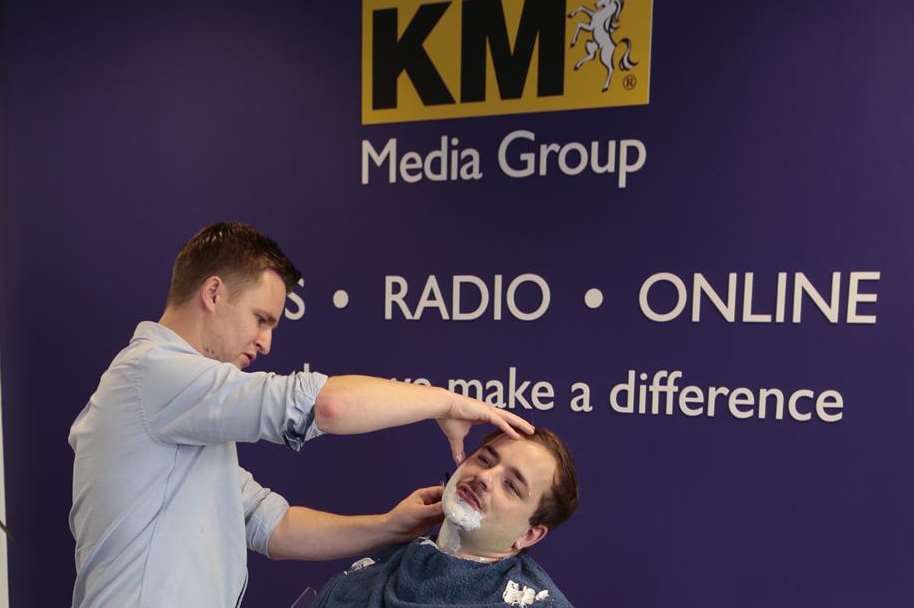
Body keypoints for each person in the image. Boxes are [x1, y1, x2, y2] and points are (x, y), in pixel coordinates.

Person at [68, 223, 534, 608]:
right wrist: (447, 403)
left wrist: (392, 525)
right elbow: (326, 405)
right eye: (261, 319)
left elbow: (274, 526)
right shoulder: (153, 375)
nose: (265, 343)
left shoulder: (184, 408)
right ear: (213, 292)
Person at [310, 427, 578, 607]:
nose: (484, 477)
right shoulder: (354, 585)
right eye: (485, 460)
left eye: (511, 486)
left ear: (529, 534)